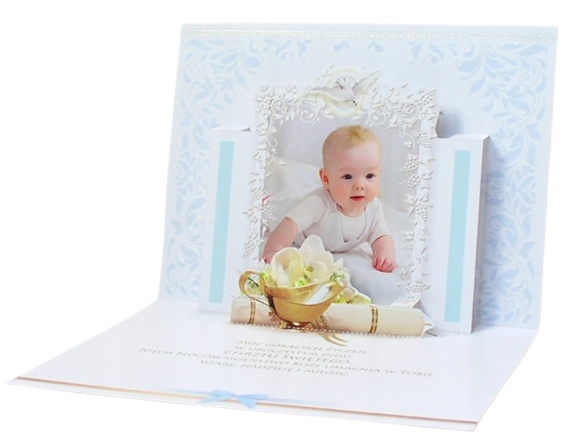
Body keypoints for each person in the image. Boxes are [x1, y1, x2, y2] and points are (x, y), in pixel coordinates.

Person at [262, 125, 398, 274]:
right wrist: (274, 250)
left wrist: (385, 254)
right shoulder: (319, 203)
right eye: (348, 177)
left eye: (369, 176)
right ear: (326, 179)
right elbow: (291, 223)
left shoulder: (374, 208)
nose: (360, 185)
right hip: (276, 211)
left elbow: (381, 235)